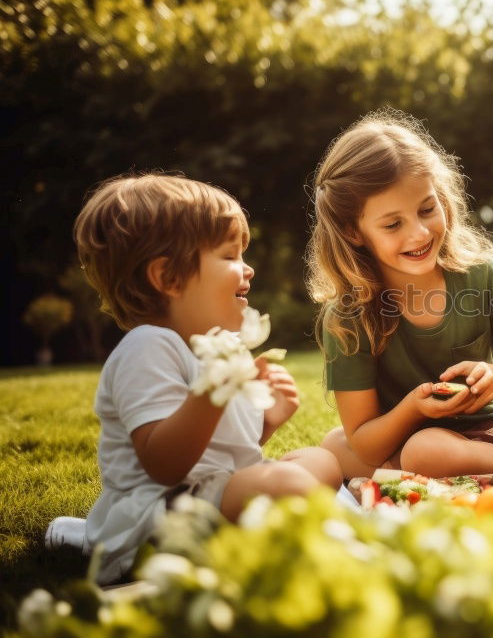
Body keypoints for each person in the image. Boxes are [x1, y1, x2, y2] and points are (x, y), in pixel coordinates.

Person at [67, 173, 343, 584]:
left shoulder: (219, 347)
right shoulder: (147, 347)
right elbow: (163, 464)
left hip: (207, 491)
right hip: (162, 511)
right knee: (287, 481)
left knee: (320, 460)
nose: (247, 270)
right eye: (230, 257)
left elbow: (220, 451)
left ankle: (274, 521)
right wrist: (213, 390)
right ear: (168, 278)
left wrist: (267, 422)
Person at [308, 109, 493, 479]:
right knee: (336, 446)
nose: (420, 233)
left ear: (441, 197)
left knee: (423, 451)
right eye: (393, 224)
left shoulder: (482, 276)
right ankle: (435, 469)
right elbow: (365, 441)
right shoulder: (347, 316)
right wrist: (415, 408)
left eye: (427, 209)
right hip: (409, 440)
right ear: (353, 232)